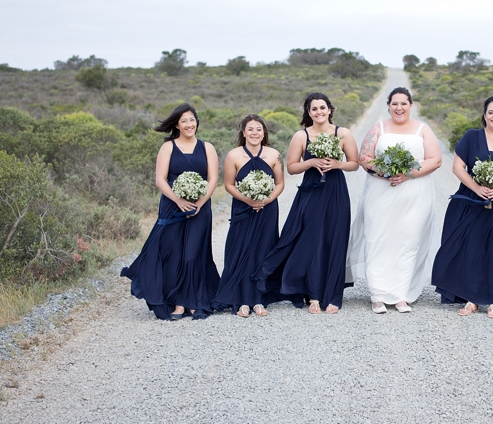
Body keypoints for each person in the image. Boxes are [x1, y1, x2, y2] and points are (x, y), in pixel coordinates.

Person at [253, 93, 359, 313]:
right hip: (311, 191)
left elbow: (354, 164)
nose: (319, 112)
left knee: (334, 238)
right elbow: (292, 167)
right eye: (314, 109)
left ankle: (333, 295)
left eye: (322, 107)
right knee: (311, 240)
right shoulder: (301, 135)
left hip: (335, 191)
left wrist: (337, 164)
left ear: (330, 109)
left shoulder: (343, 133)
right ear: (308, 112)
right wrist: (311, 162)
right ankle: (313, 296)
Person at [431, 96, 493, 318]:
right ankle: (472, 299)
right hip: (473, 201)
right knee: (472, 248)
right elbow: (458, 167)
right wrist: (477, 188)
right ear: (484, 115)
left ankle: (492, 300)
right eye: (490, 112)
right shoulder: (472, 137)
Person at [347, 86, 442, 313]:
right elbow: (364, 157)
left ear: (411, 105)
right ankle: (377, 295)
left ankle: (400, 295)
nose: (399, 108)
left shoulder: (423, 129)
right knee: (377, 239)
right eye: (395, 103)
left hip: (414, 195)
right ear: (388, 106)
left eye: (403, 103)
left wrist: (408, 174)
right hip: (380, 192)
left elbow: (435, 160)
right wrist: (385, 172)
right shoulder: (378, 127)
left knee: (408, 241)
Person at [121, 103, 220, 320]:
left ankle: (194, 300)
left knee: (193, 254)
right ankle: (178, 302)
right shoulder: (168, 147)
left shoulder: (207, 148)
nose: (189, 124)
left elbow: (213, 180)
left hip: (200, 207)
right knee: (173, 253)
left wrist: (199, 204)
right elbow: (160, 179)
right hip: (172, 206)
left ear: (197, 122)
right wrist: (179, 200)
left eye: (192, 120)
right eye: (184, 121)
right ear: (176, 124)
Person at [212, 115, 286, 317]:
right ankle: (243, 300)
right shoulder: (233, 155)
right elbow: (229, 185)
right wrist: (247, 199)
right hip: (243, 209)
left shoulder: (274, 155)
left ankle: (259, 299)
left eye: (258, 129)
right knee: (241, 250)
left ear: (264, 132)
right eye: (250, 129)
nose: (255, 133)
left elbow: (280, 183)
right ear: (243, 132)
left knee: (263, 249)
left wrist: (267, 200)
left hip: (267, 209)